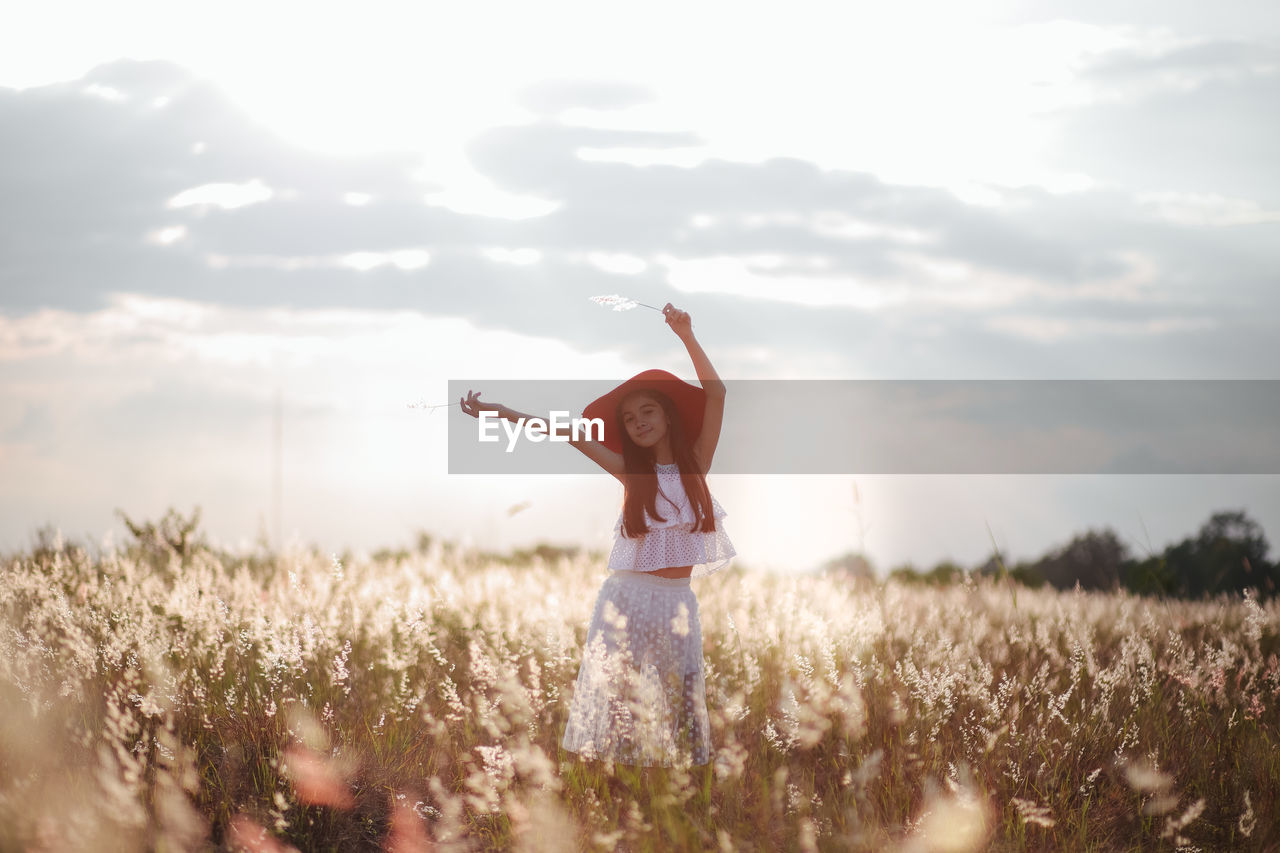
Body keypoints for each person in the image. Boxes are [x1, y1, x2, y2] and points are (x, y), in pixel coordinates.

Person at [458, 303, 735, 769]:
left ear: (667, 415)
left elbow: (718, 393)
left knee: (682, 702)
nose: (639, 421)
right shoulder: (632, 472)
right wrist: (501, 412)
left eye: (648, 411)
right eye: (629, 419)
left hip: (678, 600)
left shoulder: (697, 464)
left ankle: (683, 798)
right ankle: (615, 798)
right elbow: (565, 431)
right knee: (617, 706)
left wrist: (686, 334)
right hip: (626, 598)